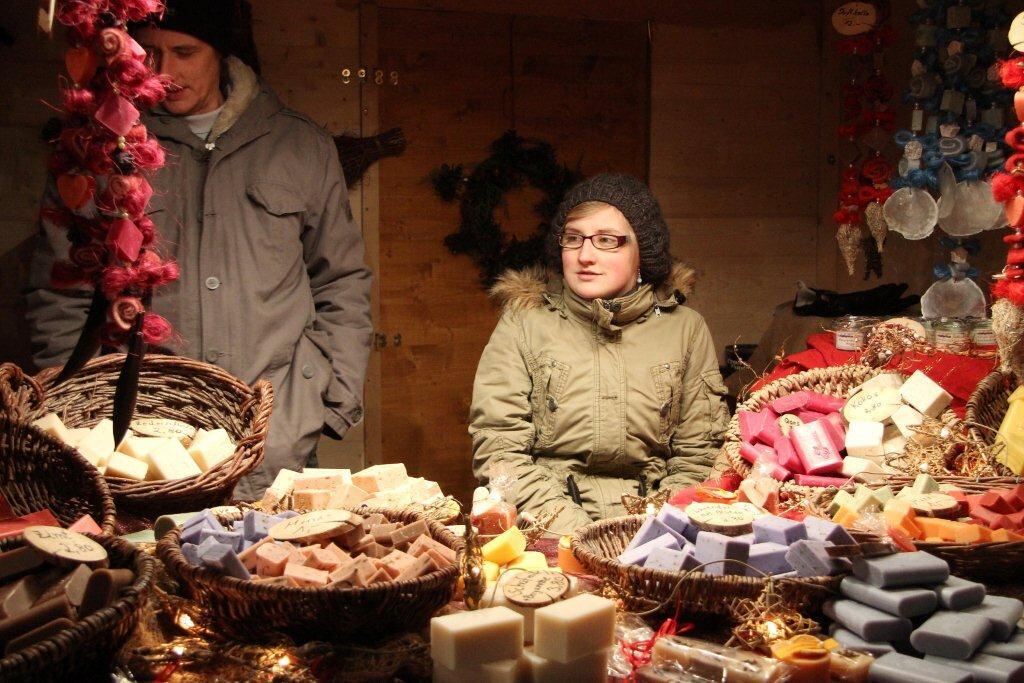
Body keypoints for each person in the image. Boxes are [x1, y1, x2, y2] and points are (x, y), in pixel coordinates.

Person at [25, 0, 372, 499]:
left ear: (223, 53)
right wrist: (79, 416)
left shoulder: (300, 145)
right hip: (141, 450)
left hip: (275, 434)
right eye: (151, 52)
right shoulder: (101, 149)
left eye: (185, 52)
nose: (165, 72)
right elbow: (59, 290)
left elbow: (341, 280)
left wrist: (328, 397)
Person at [469, 174, 729, 529]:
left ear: (643, 253)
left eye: (607, 241)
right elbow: (499, 451)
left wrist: (657, 528)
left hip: (658, 529)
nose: (585, 256)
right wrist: (570, 530)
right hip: (546, 525)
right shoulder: (524, 323)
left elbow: (700, 456)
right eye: (573, 239)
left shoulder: (685, 329)